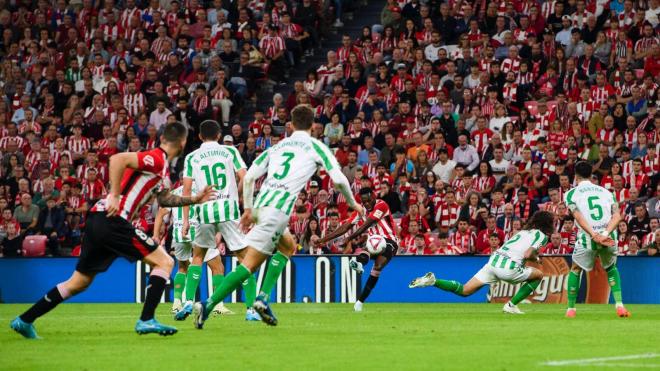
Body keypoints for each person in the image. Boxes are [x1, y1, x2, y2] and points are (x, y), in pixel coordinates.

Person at [10, 122, 215, 339]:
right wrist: (115, 195)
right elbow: (117, 159)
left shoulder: (160, 167)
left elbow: (164, 197)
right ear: (182, 142)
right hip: (113, 219)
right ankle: (146, 320)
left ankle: (25, 320)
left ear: (163, 137)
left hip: (98, 220)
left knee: (78, 283)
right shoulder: (156, 158)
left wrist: (194, 199)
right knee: (165, 262)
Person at [192, 104, 363, 328]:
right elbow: (339, 180)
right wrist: (353, 204)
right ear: (313, 125)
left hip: (262, 205)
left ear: (290, 124)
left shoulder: (277, 147)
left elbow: (251, 177)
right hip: (277, 212)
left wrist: (249, 209)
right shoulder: (315, 146)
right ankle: (207, 306)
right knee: (248, 266)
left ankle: (262, 298)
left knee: (288, 246)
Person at [409, 210, 555, 314]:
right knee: (539, 275)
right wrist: (535, 258)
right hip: (508, 268)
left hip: (493, 262)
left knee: (465, 290)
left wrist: (531, 256)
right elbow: (528, 253)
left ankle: (433, 281)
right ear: (548, 224)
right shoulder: (541, 236)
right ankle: (511, 305)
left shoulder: (523, 232)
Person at [176, 120, 251, 320]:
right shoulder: (230, 152)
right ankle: (252, 309)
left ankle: (188, 302)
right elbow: (246, 177)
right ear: (219, 135)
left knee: (198, 257)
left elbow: (186, 191)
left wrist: (185, 221)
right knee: (245, 258)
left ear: (200, 136)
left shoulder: (192, 157)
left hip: (204, 212)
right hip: (228, 209)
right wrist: (239, 195)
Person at [563, 161, 630, 318]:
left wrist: (594, 234)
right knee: (611, 268)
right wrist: (605, 234)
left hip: (588, 238)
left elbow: (578, 216)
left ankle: (571, 309)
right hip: (609, 236)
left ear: (576, 176)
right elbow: (617, 216)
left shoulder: (571, 194)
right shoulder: (607, 192)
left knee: (576, 269)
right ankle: (619, 305)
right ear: (591, 175)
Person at [315, 187, 400, 311]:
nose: (366, 204)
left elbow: (368, 223)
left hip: (390, 240)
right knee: (370, 248)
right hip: (373, 242)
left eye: (368, 200)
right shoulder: (361, 210)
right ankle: (359, 267)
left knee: (377, 267)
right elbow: (345, 226)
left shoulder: (381, 205)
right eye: (364, 202)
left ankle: (360, 298)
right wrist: (323, 239)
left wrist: (349, 238)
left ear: (373, 197)